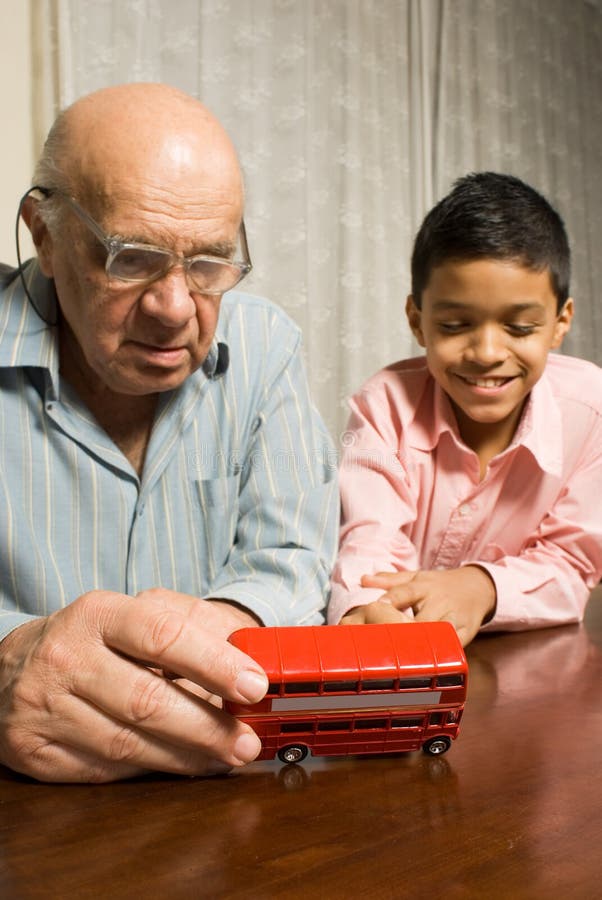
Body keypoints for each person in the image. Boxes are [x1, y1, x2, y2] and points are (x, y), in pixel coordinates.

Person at [0, 83, 338, 783]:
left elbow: (293, 550)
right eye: (131, 258)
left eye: (210, 263)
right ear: (43, 235)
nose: (175, 308)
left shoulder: (265, 344)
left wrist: (219, 634)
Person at [329, 172, 602, 646]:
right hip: (402, 663)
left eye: (519, 328)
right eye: (456, 325)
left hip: (524, 666)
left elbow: (572, 563)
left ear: (560, 323)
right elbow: (368, 537)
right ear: (417, 320)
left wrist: (483, 587)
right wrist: (366, 608)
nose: (487, 352)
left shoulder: (592, 412)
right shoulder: (383, 404)